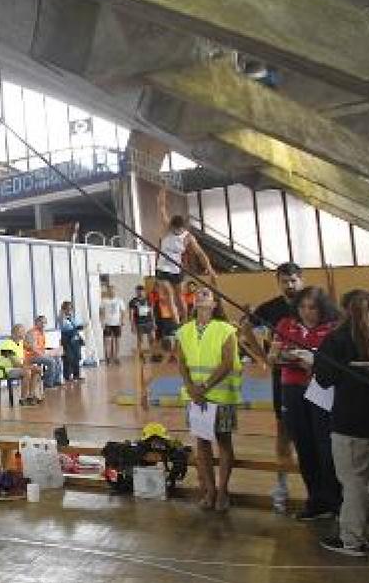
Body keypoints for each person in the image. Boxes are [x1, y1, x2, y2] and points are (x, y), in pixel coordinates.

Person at [313, 290, 369, 556]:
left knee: (354, 483)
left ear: (344, 310)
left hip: (351, 424)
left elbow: (324, 379)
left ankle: (352, 539)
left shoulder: (337, 339)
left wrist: (319, 362)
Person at [272, 286, 341, 521]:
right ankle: (316, 500)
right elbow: (273, 357)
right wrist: (287, 357)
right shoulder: (286, 325)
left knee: (326, 448)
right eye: (302, 306)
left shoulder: (333, 328)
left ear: (323, 308)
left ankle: (336, 502)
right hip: (292, 389)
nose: (306, 312)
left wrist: (314, 362)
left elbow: (337, 364)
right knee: (304, 446)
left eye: (312, 307)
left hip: (322, 392)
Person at [175, 287, 241, 512]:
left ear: (214, 304)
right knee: (202, 444)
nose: (201, 295)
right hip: (195, 397)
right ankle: (210, 491)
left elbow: (227, 362)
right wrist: (191, 388)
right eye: (198, 294)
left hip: (220, 395)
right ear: (193, 303)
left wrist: (203, 387)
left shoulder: (226, 329)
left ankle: (223, 490)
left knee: (223, 442)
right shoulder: (183, 331)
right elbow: (181, 363)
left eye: (207, 294)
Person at [245, 262, 303, 511]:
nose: (290, 286)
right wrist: (261, 357)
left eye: (294, 281)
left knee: (316, 432)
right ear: (278, 282)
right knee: (283, 429)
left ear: (301, 280)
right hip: (283, 378)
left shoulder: (313, 303)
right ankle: (282, 483)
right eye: (285, 281)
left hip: (312, 378)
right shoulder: (270, 308)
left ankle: (321, 487)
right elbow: (246, 329)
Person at [155, 187, 216, 324]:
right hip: (162, 268)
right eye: (173, 229)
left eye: (178, 230)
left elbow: (200, 254)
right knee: (169, 295)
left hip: (176, 269)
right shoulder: (166, 227)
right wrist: (163, 189)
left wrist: (210, 268)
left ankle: (187, 322)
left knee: (179, 297)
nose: (175, 232)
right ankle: (177, 324)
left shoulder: (188, 237)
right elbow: (161, 206)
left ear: (182, 227)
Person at [25, 316, 61, 390]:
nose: (43, 324)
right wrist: (44, 354)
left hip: (39, 354)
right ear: (36, 323)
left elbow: (42, 347)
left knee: (57, 358)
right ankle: (47, 384)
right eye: (41, 322)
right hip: (31, 356)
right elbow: (33, 348)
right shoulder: (32, 332)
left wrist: (51, 352)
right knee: (51, 361)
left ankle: (56, 381)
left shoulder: (42, 332)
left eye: (45, 322)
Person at [57, 301, 85, 383]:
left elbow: (77, 325)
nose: (69, 310)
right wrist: (62, 313)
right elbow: (63, 325)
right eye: (67, 308)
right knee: (68, 357)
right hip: (66, 338)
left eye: (71, 308)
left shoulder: (73, 317)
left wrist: (82, 326)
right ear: (64, 309)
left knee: (77, 356)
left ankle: (77, 375)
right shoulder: (61, 317)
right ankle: (67, 376)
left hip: (75, 338)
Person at [99, 283, 126, 366]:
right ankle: (108, 358)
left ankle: (116, 357)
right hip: (107, 324)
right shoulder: (104, 300)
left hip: (117, 323)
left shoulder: (119, 300)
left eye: (113, 290)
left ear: (115, 291)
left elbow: (123, 311)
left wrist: (122, 320)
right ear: (108, 291)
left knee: (117, 341)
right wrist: (102, 321)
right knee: (107, 341)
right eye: (110, 290)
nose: (111, 292)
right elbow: (101, 312)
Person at [128, 284, 156, 359]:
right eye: (138, 291)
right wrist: (132, 325)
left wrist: (154, 322)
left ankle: (153, 354)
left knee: (152, 339)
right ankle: (140, 354)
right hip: (139, 323)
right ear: (136, 292)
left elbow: (152, 311)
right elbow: (131, 314)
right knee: (140, 340)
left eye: (142, 291)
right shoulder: (133, 301)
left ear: (144, 291)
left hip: (149, 322)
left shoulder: (148, 300)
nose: (140, 292)